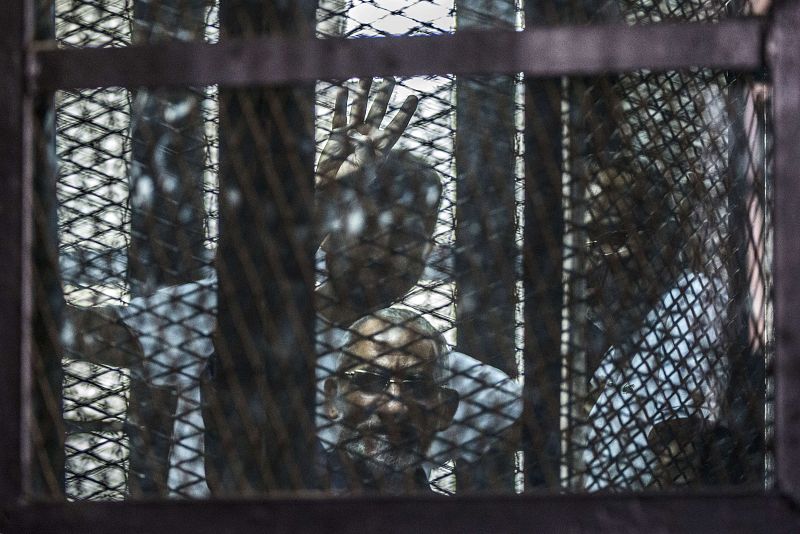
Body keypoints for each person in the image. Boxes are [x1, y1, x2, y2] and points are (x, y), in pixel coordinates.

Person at [63, 77, 522, 497]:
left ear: (428, 250)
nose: (383, 251)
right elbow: (84, 334)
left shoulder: (429, 371)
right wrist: (313, 205)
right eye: (367, 228)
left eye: (406, 236)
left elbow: (543, 423)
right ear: (331, 230)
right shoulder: (236, 311)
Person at [581, 160, 731, 491]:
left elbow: (679, 452)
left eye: (615, 237)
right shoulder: (611, 325)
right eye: (591, 239)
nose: (599, 255)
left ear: (655, 234)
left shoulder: (691, 300)